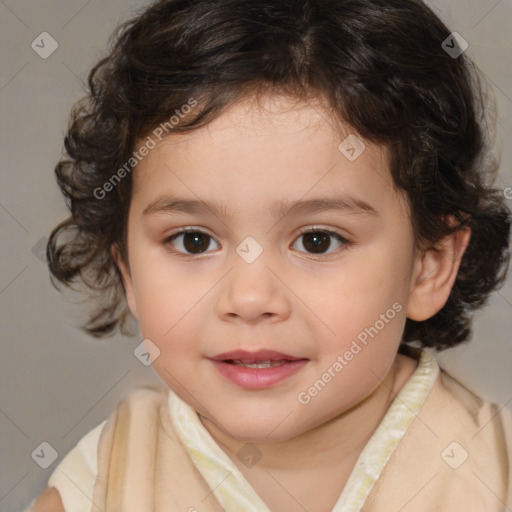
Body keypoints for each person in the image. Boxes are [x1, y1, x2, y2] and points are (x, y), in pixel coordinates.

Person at [27, 0, 512, 510]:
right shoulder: (98, 487)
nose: (250, 298)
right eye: (194, 241)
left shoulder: (491, 474)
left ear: (427, 266)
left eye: (318, 241)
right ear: (127, 270)